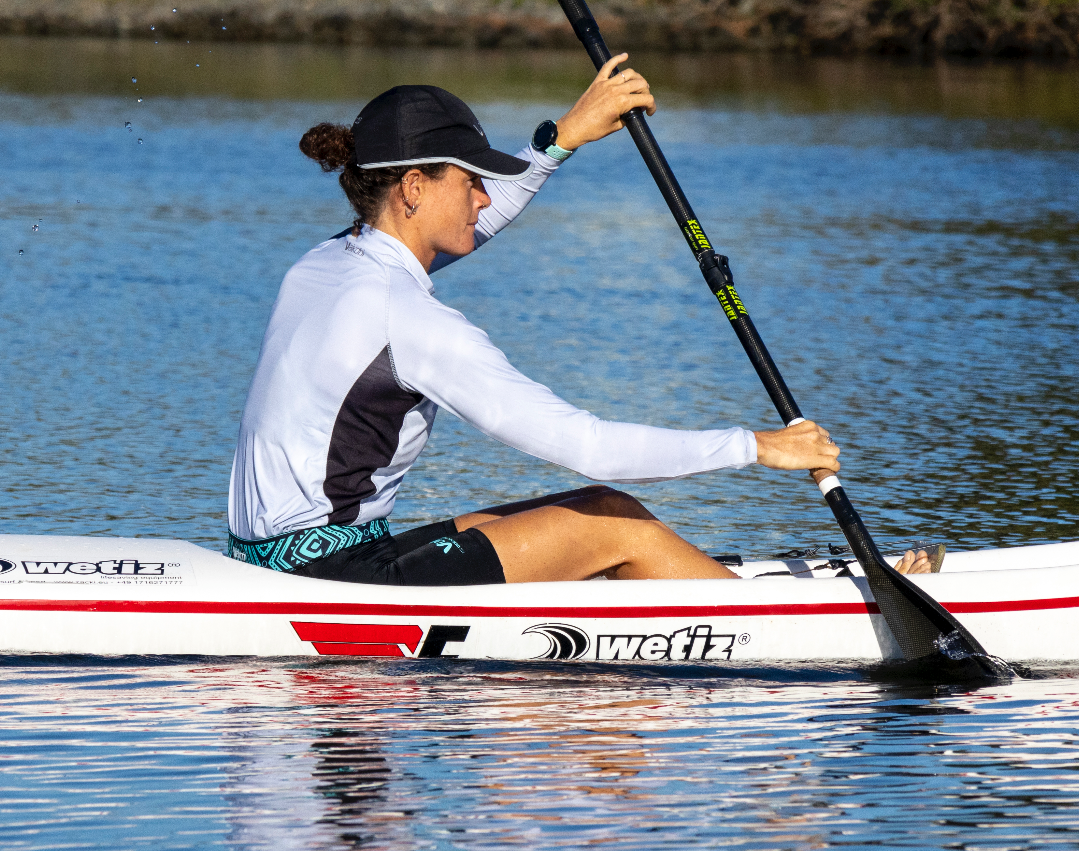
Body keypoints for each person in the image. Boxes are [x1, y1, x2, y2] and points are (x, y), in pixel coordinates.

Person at [227, 55, 934, 584]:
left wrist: (558, 141)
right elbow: (586, 443)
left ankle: (692, 606)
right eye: (471, 178)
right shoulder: (412, 319)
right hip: (339, 582)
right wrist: (756, 445)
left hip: (286, 558)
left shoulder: (326, 265)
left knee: (588, 510)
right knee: (618, 515)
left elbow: (472, 226)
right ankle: (798, 625)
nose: (483, 196)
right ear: (414, 186)